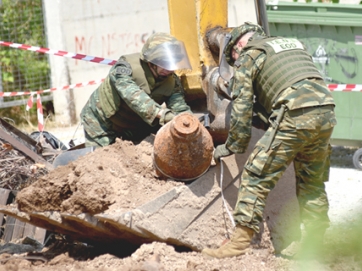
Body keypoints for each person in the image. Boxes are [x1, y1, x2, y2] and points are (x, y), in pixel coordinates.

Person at [202, 22, 337, 258]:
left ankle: (237, 245)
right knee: (311, 181)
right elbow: (286, 83)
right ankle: (317, 245)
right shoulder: (292, 45)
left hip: (295, 113)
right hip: (325, 112)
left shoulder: (249, 55)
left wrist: (232, 146)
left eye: (233, 56)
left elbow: (242, 111)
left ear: (238, 46)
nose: (236, 59)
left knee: (256, 175)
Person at [80, 32, 193, 147]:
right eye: (164, 63)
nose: (169, 69)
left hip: (133, 127)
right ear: (151, 62)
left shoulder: (171, 81)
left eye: (173, 63)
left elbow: (179, 107)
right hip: (102, 124)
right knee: (102, 161)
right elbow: (133, 95)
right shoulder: (125, 67)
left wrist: (191, 123)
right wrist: (162, 114)